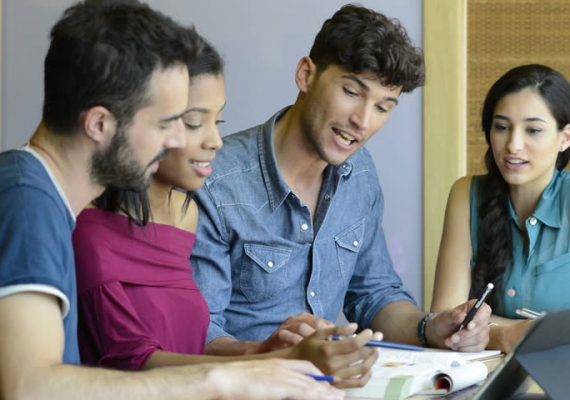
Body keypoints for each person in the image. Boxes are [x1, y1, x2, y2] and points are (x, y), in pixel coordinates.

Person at [0, 1, 344, 399]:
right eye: (166, 124)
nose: (177, 142)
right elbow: (29, 388)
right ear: (99, 124)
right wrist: (221, 380)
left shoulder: (42, 198)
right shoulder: (27, 200)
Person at [191, 4, 491, 360]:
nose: (362, 121)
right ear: (306, 75)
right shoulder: (215, 183)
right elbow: (196, 334)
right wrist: (270, 354)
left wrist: (431, 327)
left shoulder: (359, 173)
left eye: (383, 106)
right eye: (352, 91)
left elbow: (374, 294)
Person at [73, 34, 372, 390]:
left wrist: (268, 349)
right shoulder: (89, 235)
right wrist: (280, 361)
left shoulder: (183, 212)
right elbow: (136, 364)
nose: (215, 141)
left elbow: (192, 346)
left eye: (220, 122)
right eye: (196, 122)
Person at [431, 64, 570, 353]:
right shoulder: (466, 194)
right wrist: (513, 334)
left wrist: (491, 330)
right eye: (502, 127)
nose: (513, 145)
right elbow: (445, 319)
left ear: (564, 138)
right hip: (488, 377)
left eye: (533, 130)